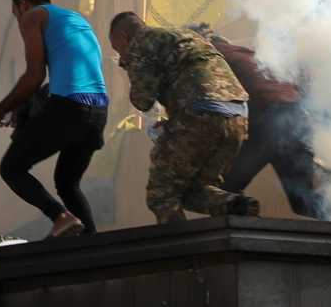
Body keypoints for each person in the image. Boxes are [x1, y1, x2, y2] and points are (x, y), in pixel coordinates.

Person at [0, 0, 109, 238]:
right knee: (67, 183)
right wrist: (24, 107)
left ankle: (60, 216)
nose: (18, 21)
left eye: (15, 14)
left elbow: (34, 75)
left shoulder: (33, 16)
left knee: (11, 168)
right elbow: (64, 77)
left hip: (70, 108)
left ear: (23, 5)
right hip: (98, 113)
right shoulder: (75, 20)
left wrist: (0, 109)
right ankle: (92, 244)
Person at [108, 11, 258, 223]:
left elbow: (142, 100)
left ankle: (179, 251)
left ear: (124, 37)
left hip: (201, 114)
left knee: (161, 195)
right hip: (237, 117)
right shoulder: (184, 35)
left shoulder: (141, 43)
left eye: (119, 49)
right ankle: (237, 206)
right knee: (192, 190)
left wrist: (127, 64)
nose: (122, 54)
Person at [191, 25, 325, 219]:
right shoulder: (247, 54)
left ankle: (239, 240)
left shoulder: (212, 57)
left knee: (225, 190)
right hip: (296, 120)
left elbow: (214, 102)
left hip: (265, 121)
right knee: (304, 203)